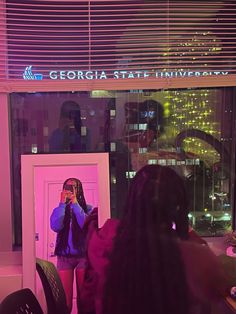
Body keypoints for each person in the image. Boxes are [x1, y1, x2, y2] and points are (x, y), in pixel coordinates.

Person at [87, 165, 227, 314]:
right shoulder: (195, 258)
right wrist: (185, 226)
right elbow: (218, 289)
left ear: (131, 202)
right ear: (177, 207)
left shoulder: (104, 246)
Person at [50, 177, 93, 313]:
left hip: (83, 256)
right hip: (64, 256)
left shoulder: (88, 209)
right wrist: (62, 204)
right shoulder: (60, 209)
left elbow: (85, 225)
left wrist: (75, 203)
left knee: (83, 299)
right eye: (67, 187)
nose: (70, 190)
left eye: (73, 187)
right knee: (65, 301)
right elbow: (56, 226)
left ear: (79, 190)